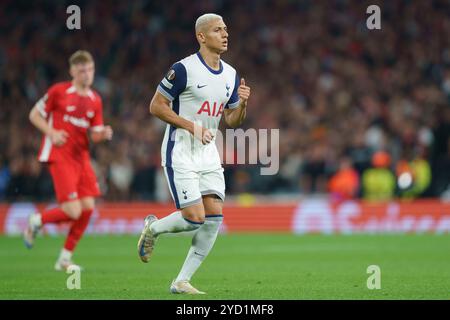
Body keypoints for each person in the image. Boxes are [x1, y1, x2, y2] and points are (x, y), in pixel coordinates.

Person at [137, 13, 251, 294]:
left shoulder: (231, 74)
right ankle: (152, 228)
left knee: (214, 218)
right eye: (217, 30)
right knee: (193, 218)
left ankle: (181, 281)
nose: (225, 34)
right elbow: (156, 106)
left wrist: (243, 105)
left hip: (208, 152)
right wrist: (192, 126)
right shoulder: (183, 69)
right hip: (181, 150)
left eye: (225, 29)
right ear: (201, 36)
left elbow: (232, 120)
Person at [23, 50, 113, 271]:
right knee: (73, 211)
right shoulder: (59, 91)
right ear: (72, 71)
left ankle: (64, 258)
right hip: (60, 154)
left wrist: (103, 135)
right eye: (82, 70)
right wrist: (51, 132)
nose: (86, 74)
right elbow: (34, 114)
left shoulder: (95, 100)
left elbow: (95, 133)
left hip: (82, 157)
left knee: (88, 208)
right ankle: (36, 221)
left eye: (90, 69)